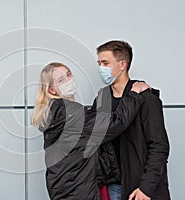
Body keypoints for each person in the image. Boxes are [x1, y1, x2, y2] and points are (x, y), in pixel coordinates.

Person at [31, 62, 149, 200]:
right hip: (77, 191)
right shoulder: (70, 113)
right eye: (61, 80)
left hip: (65, 188)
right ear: (52, 90)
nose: (69, 80)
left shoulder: (56, 112)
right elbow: (115, 123)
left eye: (68, 74)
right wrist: (134, 93)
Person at [96, 40, 170, 200]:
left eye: (105, 63)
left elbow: (159, 147)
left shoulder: (147, 99)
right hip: (110, 187)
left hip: (140, 188)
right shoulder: (102, 99)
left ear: (122, 65)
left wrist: (146, 188)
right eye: (99, 63)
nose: (101, 68)